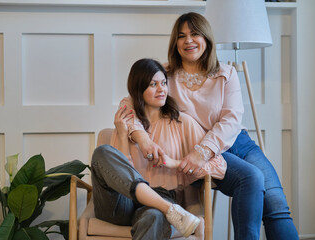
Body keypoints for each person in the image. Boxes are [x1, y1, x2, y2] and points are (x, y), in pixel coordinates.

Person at [123, 12, 299, 240]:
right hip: (201, 149)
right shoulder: (165, 75)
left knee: (276, 204)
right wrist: (143, 139)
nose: (188, 40)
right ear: (175, 43)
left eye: (195, 34)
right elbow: (129, 103)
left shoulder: (226, 73)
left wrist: (202, 151)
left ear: (206, 38)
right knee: (252, 179)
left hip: (237, 143)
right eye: (181, 36)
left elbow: (231, 119)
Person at [91, 58, 226, 240]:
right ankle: (170, 210)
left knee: (154, 217)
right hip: (121, 201)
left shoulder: (182, 123)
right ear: (139, 89)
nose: (161, 89)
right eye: (153, 84)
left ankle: (164, 209)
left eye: (163, 83)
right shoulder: (126, 121)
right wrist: (123, 135)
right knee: (102, 152)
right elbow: (122, 172)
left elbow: (219, 165)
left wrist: (175, 163)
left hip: (160, 197)